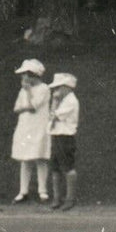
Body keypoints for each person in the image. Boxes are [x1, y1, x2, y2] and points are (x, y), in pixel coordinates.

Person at [10, 59, 52, 205]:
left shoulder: (44, 89)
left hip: (39, 126)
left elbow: (33, 106)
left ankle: (43, 191)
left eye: (24, 75)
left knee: (40, 158)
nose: (23, 78)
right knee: (25, 159)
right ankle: (23, 191)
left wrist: (27, 94)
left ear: (32, 75)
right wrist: (25, 103)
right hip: (25, 126)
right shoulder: (23, 90)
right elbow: (17, 108)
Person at [45, 73, 80, 210]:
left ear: (66, 87)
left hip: (66, 137)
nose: (56, 91)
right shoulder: (63, 101)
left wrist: (54, 101)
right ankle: (57, 199)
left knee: (67, 166)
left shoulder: (71, 101)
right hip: (56, 135)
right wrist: (55, 103)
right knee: (55, 167)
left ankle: (70, 199)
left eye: (58, 87)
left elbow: (54, 116)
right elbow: (51, 116)